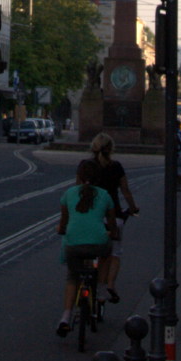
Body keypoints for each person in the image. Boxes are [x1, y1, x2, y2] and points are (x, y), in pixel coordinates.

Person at [55, 159, 119, 336]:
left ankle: (65, 317)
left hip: (73, 245)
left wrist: (61, 230)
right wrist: (112, 233)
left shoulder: (69, 194)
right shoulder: (105, 195)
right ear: (98, 178)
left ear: (79, 176)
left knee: (72, 277)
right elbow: (112, 223)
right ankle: (101, 288)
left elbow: (63, 223)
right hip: (98, 243)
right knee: (108, 253)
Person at [88, 132, 139, 302]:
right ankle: (109, 285)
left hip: (91, 217)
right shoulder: (116, 167)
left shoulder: (87, 166)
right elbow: (125, 191)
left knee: (88, 248)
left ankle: (85, 280)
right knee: (114, 252)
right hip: (113, 216)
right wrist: (133, 208)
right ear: (111, 149)